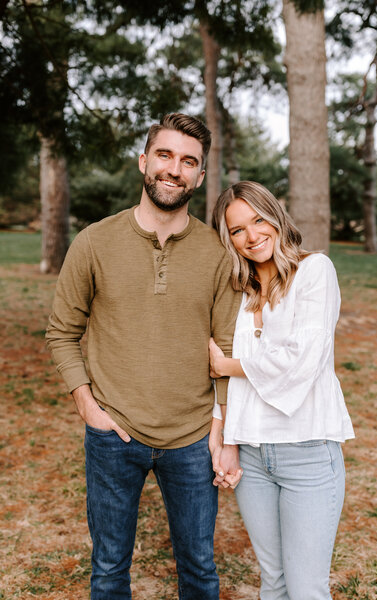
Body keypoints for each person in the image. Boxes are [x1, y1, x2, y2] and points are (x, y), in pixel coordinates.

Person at [45, 113, 242, 600]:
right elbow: (62, 331)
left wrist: (221, 431)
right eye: (165, 155)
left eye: (188, 161)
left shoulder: (219, 252)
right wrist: (87, 406)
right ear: (144, 162)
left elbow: (228, 351)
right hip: (114, 434)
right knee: (109, 568)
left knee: (198, 567)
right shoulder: (93, 242)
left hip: (193, 437)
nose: (174, 169)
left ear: (200, 176)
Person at [209, 181, 355, 600]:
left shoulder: (315, 271)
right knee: (272, 583)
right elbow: (224, 386)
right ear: (228, 238)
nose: (252, 237)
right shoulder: (239, 292)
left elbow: (301, 361)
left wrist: (229, 365)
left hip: (307, 452)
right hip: (253, 457)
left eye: (258, 220)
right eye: (237, 230)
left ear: (276, 217)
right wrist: (224, 440)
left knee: (307, 588)